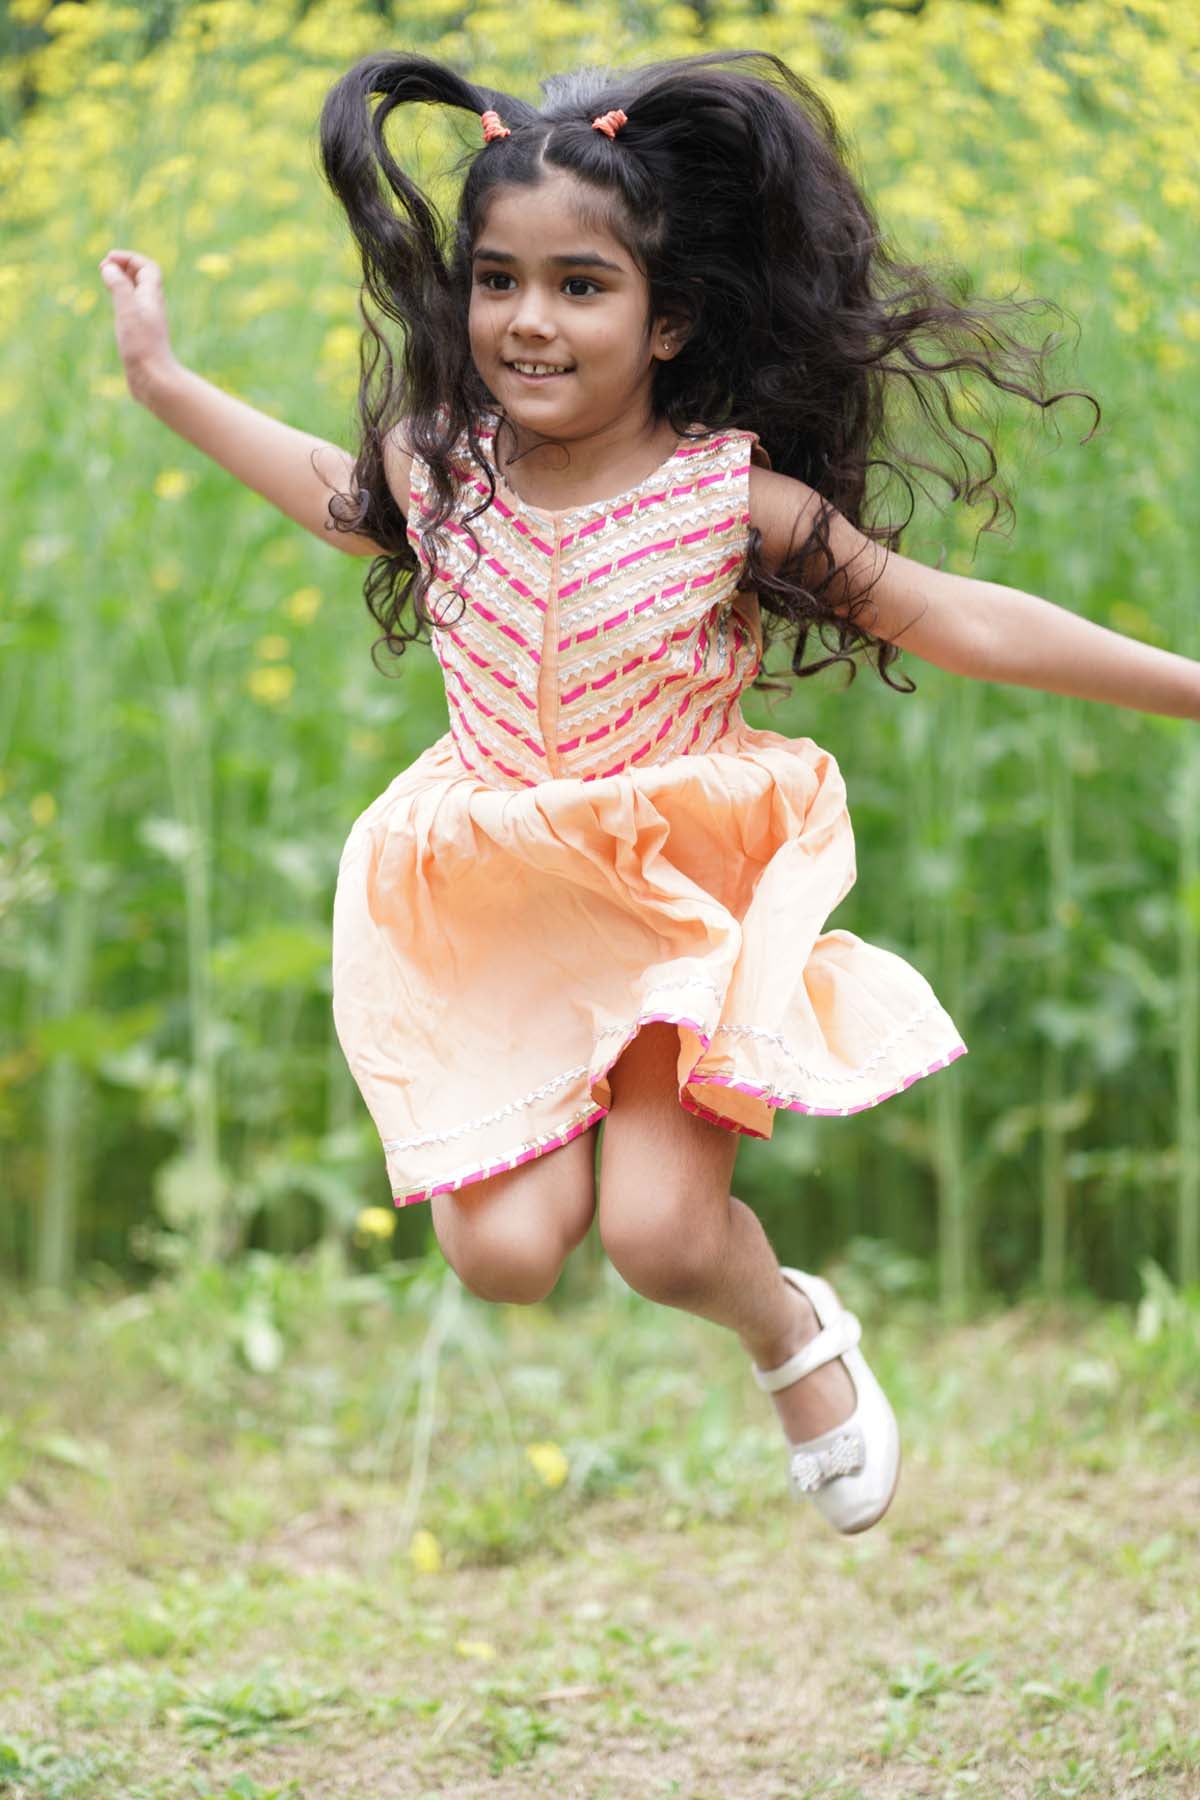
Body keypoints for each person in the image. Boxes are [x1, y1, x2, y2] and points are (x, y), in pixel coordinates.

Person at [99, 48, 1200, 1536]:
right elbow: (322, 485)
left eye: (580, 285)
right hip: (497, 897)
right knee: (503, 1252)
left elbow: (960, 617)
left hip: (678, 892)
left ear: (668, 319)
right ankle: (704, 1266)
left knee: (666, 1238)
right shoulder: (445, 476)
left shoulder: (733, 503)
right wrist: (162, 379)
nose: (529, 321)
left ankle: (791, 1335)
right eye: (498, 281)